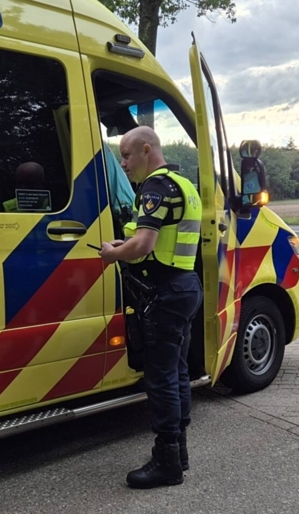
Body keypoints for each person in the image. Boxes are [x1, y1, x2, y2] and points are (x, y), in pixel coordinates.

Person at [99, 126, 203, 489]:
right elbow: (162, 240)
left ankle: (167, 462)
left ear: (147, 150)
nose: (123, 164)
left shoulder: (156, 188)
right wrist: (126, 242)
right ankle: (180, 452)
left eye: (126, 156)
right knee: (177, 373)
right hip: (185, 286)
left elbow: (143, 244)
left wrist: (114, 254)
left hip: (165, 293)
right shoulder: (184, 184)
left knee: (160, 378)